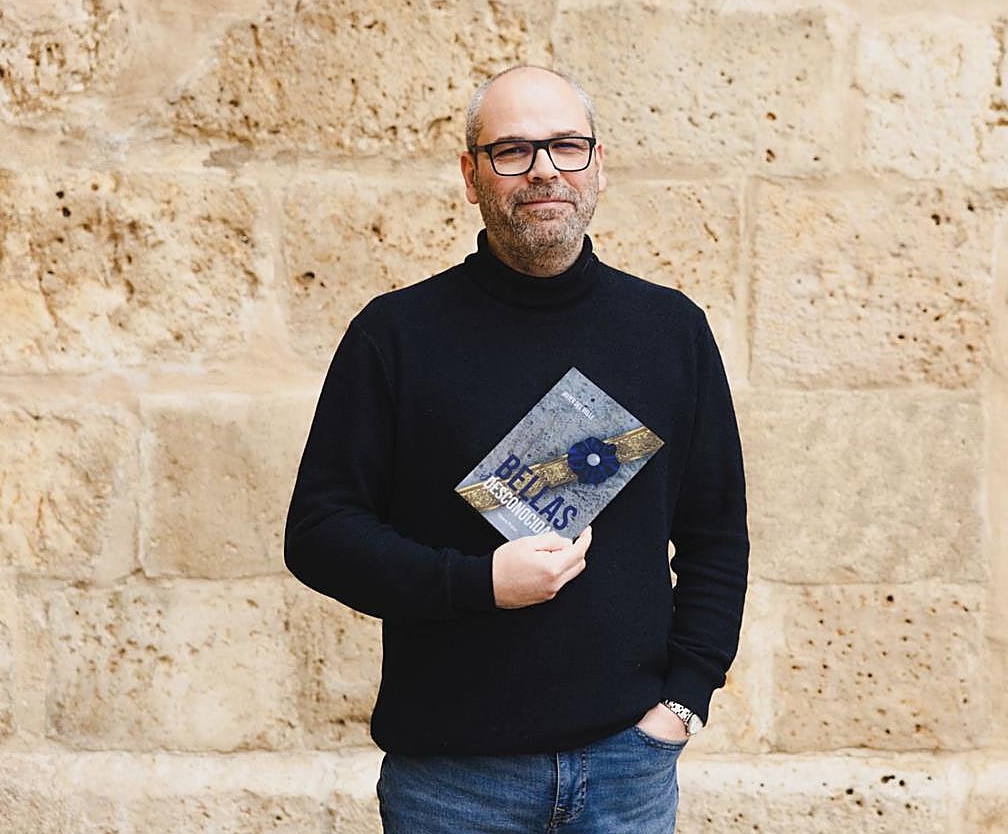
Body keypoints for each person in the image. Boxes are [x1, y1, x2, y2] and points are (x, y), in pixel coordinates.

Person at [283, 63, 749, 833]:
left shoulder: (669, 332)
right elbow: (319, 535)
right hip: (452, 786)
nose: (544, 170)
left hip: (627, 772)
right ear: (471, 177)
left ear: (598, 165)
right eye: (512, 150)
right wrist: (479, 583)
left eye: (566, 146)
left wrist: (683, 704)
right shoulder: (394, 335)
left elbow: (716, 536)